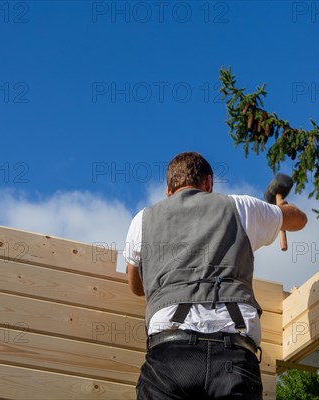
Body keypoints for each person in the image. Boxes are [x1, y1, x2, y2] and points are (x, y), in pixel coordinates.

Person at [124, 152, 307, 399]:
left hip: (169, 354)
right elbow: (300, 220)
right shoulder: (241, 207)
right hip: (234, 355)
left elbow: (135, 285)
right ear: (209, 183)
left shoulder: (143, 220)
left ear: (168, 191)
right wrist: (280, 211)